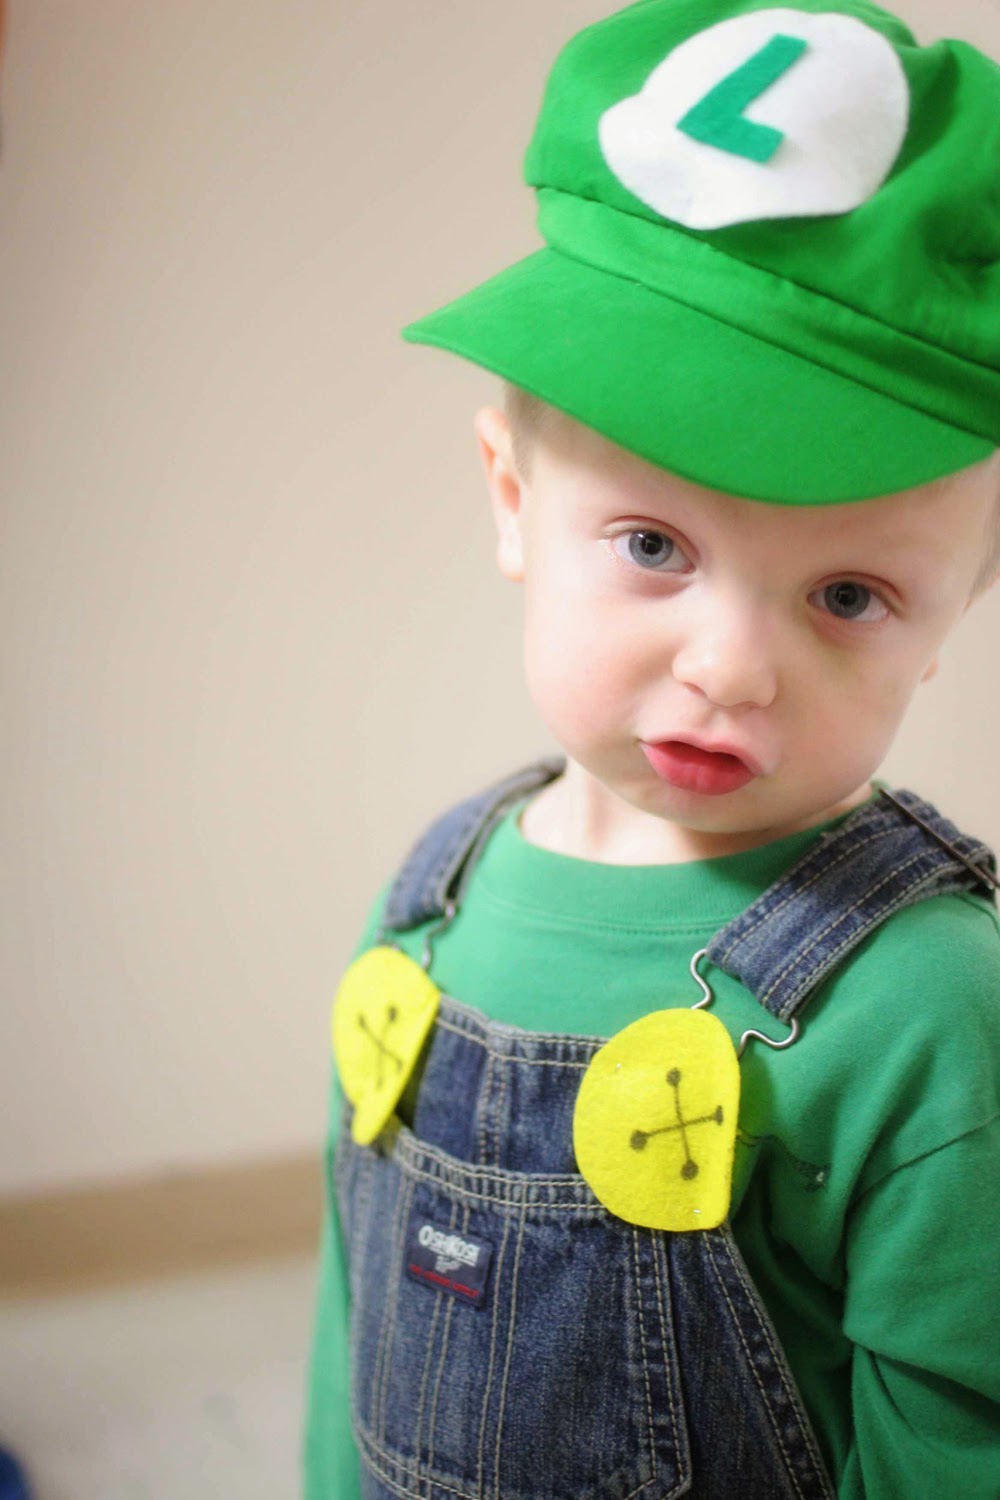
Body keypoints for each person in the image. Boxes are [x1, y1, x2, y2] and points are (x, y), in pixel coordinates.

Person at [305, 0, 1000, 1495]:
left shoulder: (930, 1011)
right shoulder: (432, 908)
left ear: (955, 610)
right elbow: (345, 1319)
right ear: (510, 495)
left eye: (849, 594)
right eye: (652, 543)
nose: (734, 666)